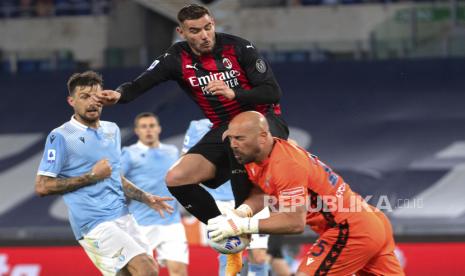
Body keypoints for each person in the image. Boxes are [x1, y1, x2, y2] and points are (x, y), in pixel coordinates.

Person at [95, 4, 289, 274]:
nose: (204, 35)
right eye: (195, 31)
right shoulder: (176, 58)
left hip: (265, 121)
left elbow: (272, 91)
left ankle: (241, 218)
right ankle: (223, 230)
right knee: (177, 178)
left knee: (236, 141)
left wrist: (236, 94)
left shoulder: (240, 48)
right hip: (224, 126)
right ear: (182, 32)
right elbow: (145, 81)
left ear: (214, 24)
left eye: (208, 28)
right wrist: (120, 95)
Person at [207, 111, 405, 276]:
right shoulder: (256, 155)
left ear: (262, 136)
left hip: (350, 230)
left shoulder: (286, 164)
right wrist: (242, 212)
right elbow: (263, 190)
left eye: (240, 138)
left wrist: (242, 226)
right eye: (231, 138)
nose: (233, 144)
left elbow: (294, 223)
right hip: (368, 220)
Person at [35, 71, 174, 276]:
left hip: (124, 217)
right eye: (84, 97)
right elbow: (42, 186)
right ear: (71, 101)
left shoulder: (112, 130)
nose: (92, 102)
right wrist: (91, 176)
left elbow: (114, 175)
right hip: (93, 224)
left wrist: (145, 197)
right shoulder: (61, 137)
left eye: (96, 96)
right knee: (146, 268)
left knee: (132, 272)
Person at [182, 119, 270, 276]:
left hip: (252, 198)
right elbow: (185, 161)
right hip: (220, 201)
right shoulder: (198, 126)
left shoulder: (250, 121)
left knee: (259, 257)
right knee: (228, 254)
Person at [121, 113, 188, 276]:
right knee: (143, 272)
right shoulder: (129, 153)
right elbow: (116, 180)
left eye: (152, 126)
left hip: (172, 222)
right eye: (144, 127)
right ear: (137, 131)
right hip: (141, 224)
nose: (148, 130)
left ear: (159, 128)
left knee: (179, 271)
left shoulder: (172, 151)